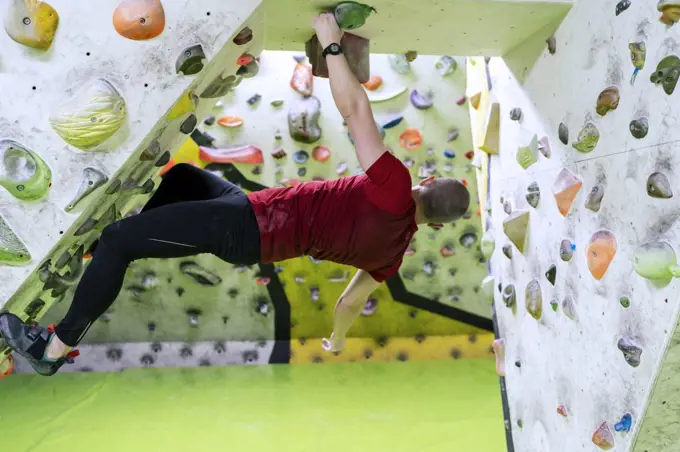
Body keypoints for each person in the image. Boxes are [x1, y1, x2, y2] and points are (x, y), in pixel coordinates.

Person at [0, 13, 470, 376]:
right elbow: (348, 304)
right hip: (250, 219)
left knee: (122, 238)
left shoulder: (393, 186)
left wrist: (330, 42)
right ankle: (111, 254)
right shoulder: (392, 254)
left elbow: (354, 107)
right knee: (184, 175)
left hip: (244, 227)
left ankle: (53, 348)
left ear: (424, 182)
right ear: (438, 225)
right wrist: (337, 339)